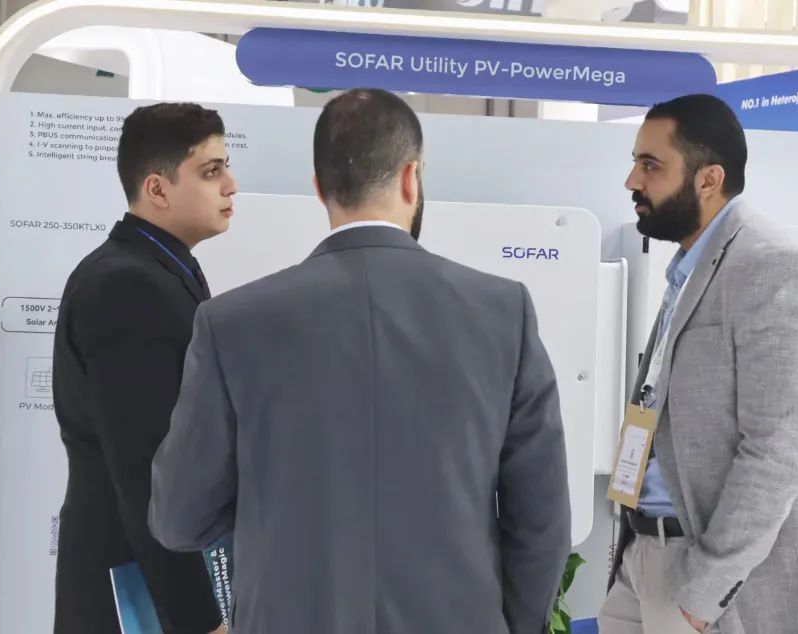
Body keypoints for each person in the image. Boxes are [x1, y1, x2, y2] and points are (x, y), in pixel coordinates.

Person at [149, 88, 572, 634]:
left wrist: (269, 511)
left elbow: (179, 517)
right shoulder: (503, 312)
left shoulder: (230, 323)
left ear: (320, 188)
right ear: (411, 178)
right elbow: (540, 519)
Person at [599, 94, 798, 634]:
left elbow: (778, 453)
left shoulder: (773, 268)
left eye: (651, 165)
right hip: (644, 557)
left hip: (711, 581)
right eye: (636, 162)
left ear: (709, 179)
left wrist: (703, 593)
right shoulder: (689, 268)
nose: (632, 181)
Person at [52, 102, 236, 634]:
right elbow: (146, 475)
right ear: (157, 188)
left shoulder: (162, 270)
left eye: (225, 167)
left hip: (148, 574)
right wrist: (201, 620)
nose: (231, 185)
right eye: (211, 171)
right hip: (134, 587)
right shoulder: (128, 286)